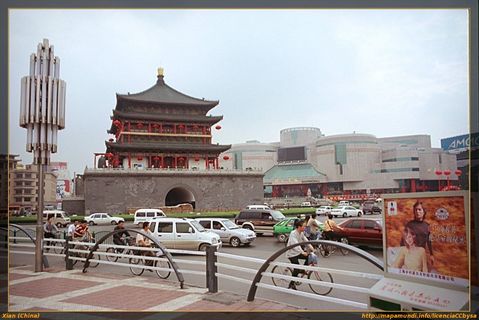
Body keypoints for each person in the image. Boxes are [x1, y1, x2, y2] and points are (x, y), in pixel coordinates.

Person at [400, 201, 434, 268]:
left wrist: (431, 254)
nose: (417, 212)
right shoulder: (409, 224)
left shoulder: (427, 226)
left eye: (419, 209)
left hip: (421, 256)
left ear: (424, 211)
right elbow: (402, 241)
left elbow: (429, 241)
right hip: (410, 256)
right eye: (415, 210)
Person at [285, 219, 315, 290]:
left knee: (309, 257)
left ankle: (302, 270)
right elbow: (295, 244)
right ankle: (292, 284)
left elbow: (306, 241)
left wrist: (312, 248)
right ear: (299, 227)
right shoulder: (293, 233)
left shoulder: (301, 233)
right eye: (304, 226)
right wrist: (302, 252)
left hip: (297, 252)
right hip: (292, 254)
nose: (305, 228)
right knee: (297, 268)